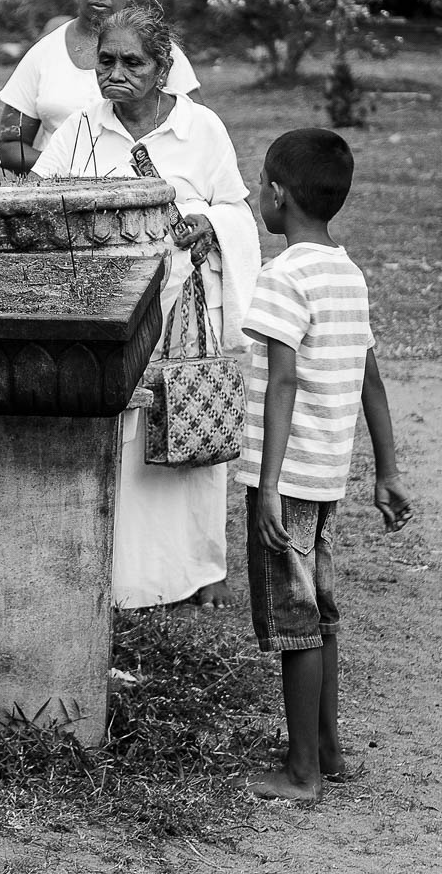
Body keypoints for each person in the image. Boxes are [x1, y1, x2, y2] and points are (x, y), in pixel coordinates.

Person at [30, 1, 260, 609]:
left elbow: (238, 211)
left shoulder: (201, 128)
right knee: (118, 438)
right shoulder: (81, 128)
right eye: (106, 61)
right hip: (106, 311)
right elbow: (38, 199)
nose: (115, 73)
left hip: (181, 311)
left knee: (186, 425)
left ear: (163, 68)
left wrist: (204, 221)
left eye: (132, 62)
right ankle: (121, 579)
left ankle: (197, 571)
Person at [234, 128, 413, 803]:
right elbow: (372, 380)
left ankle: (301, 772)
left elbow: (282, 383)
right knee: (321, 615)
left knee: (295, 623)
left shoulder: (283, 276)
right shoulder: (346, 271)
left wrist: (270, 487)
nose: (257, 194)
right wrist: (387, 471)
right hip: (327, 474)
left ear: (278, 195)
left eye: (260, 185)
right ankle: (330, 752)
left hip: (287, 482)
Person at [0, 0, 201, 174]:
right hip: (61, 197)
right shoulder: (45, 52)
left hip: (146, 192)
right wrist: (72, 170)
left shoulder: (159, 52)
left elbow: (199, 133)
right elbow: (8, 146)